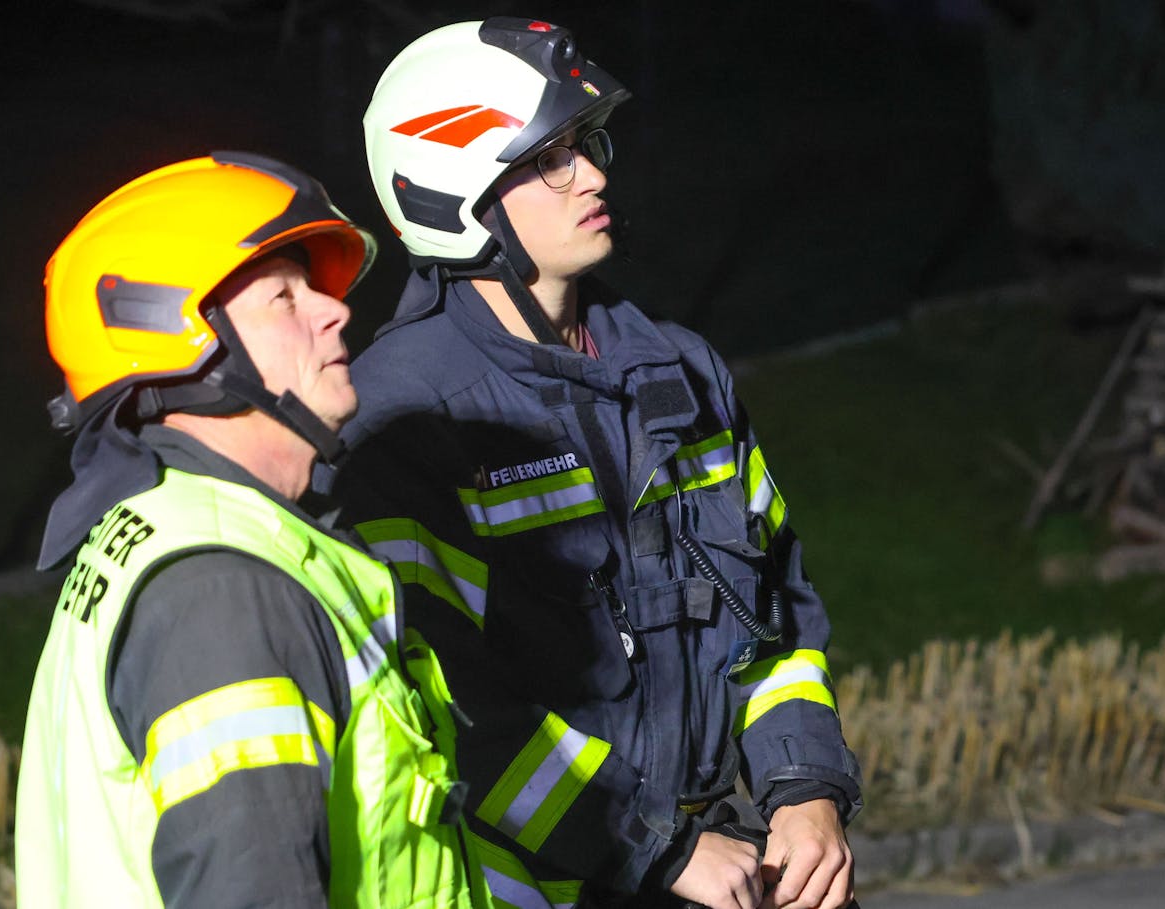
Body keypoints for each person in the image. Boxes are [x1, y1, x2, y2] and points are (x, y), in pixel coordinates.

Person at [325, 18, 863, 909]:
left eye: (588, 147)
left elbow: (778, 623)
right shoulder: (404, 418)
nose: (595, 177)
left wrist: (804, 789)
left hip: (706, 864)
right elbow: (444, 706)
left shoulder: (682, 373)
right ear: (454, 195)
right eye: (550, 160)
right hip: (522, 883)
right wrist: (652, 846)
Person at [15, 152, 483, 909]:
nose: (335, 309)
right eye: (283, 298)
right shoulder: (222, 591)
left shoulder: (196, 532)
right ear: (184, 344)